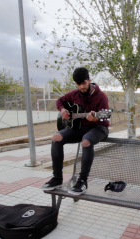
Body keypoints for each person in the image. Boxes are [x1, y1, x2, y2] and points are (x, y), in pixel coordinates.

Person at [42, 67, 109, 195]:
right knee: (56, 137)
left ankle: (83, 181)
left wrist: (95, 117)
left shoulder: (101, 96)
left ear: (89, 80)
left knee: (86, 141)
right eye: (78, 84)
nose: (81, 87)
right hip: (79, 128)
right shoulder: (74, 94)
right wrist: (62, 110)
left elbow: (104, 118)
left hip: (99, 128)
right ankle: (57, 178)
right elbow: (60, 101)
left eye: (83, 83)